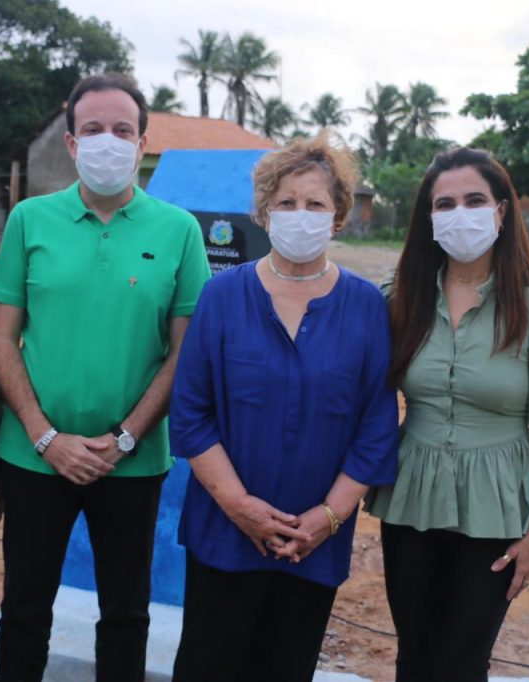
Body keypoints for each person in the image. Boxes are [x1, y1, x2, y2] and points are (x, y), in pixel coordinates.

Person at [0, 72, 211, 682]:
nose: (107, 140)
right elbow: (3, 338)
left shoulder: (179, 230)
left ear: (142, 143)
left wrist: (125, 438)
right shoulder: (30, 220)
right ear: (71, 143)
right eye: (92, 129)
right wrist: (45, 437)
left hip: (132, 462)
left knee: (125, 615)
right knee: (24, 611)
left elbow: (184, 353)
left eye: (121, 129)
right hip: (33, 457)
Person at [168, 133, 399, 682]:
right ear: (265, 213)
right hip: (225, 532)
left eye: (315, 204)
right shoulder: (223, 296)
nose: (300, 215)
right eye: (286, 202)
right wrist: (240, 506)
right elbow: (191, 413)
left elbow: (376, 426)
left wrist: (328, 518)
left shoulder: (366, 306)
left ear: (338, 216)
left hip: (313, 544)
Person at [366, 147, 529, 682]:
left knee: (462, 663)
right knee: (414, 655)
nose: (460, 214)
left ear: (501, 211)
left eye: (475, 200)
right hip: (410, 496)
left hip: (498, 504)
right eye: (445, 204)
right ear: (428, 217)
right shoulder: (398, 299)